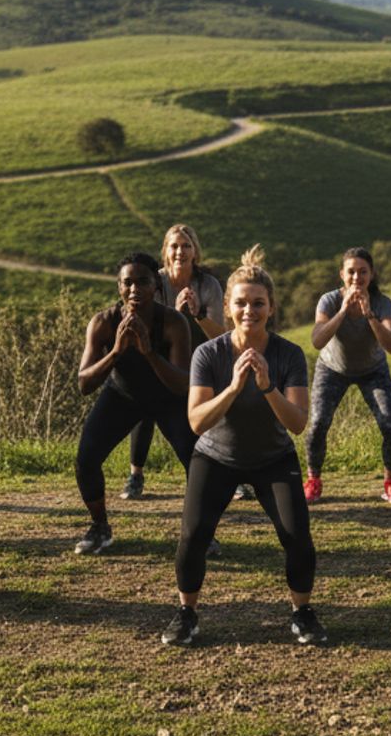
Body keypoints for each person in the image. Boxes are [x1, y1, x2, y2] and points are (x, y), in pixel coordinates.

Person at [160, 246, 322, 646]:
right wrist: (233, 387)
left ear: (271, 308)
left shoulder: (289, 354)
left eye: (258, 303)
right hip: (216, 457)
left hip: (272, 458)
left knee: (297, 537)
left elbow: (298, 423)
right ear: (228, 308)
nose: (249, 310)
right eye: (241, 303)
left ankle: (302, 612)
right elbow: (197, 421)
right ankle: (187, 613)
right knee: (194, 535)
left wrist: (267, 386)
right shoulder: (207, 353)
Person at [72, 253, 196, 553]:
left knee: (198, 462)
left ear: (156, 286)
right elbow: (84, 384)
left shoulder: (173, 323)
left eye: (143, 282)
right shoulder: (103, 322)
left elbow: (182, 385)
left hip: (168, 398)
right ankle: (100, 526)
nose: (134, 289)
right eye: (127, 283)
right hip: (122, 397)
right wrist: (115, 351)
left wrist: (149, 352)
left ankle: (200, 531)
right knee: (86, 459)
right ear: (118, 287)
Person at [123, 224, 225, 500]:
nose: (180, 251)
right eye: (174, 246)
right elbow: (143, 325)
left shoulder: (208, 285)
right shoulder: (153, 281)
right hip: (158, 356)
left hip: (199, 358)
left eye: (186, 245)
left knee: (210, 415)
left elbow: (221, 335)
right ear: (166, 252)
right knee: (145, 407)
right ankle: (135, 475)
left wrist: (197, 315)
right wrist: (175, 316)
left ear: (195, 252)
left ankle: (226, 473)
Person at [304, 247, 391, 505]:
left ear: (371, 275)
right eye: (351, 272)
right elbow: (317, 340)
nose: (356, 278)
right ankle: (313, 480)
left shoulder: (383, 304)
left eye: (363, 272)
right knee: (317, 424)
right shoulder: (329, 300)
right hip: (332, 368)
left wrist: (369, 313)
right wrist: (343, 311)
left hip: (373, 370)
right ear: (342, 274)